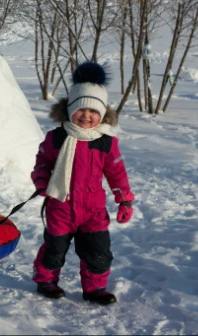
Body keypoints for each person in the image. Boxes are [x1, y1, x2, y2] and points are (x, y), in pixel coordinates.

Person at [30, 61, 135, 306]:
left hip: (93, 209)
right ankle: (46, 280)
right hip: (61, 204)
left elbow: (116, 172)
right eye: (81, 110)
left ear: (101, 114)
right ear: (70, 110)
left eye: (93, 111)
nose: (86, 116)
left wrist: (125, 200)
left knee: (98, 250)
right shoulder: (56, 138)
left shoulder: (106, 141)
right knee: (55, 248)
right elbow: (42, 163)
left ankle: (95, 287)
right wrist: (42, 182)